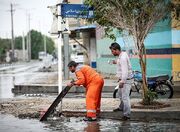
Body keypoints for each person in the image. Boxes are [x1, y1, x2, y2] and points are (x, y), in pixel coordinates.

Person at [109, 42, 133, 121]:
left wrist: (122, 81)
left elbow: (125, 71)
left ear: (116, 50)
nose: (112, 52)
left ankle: (127, 115)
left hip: (126, 81)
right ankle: (121, 107)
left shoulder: (122, 58)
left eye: (112, 51)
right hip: (123, 80)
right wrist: (115, 62)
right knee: (119, 93)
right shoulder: (122, 55)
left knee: (125, 97)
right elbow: (121, 64)